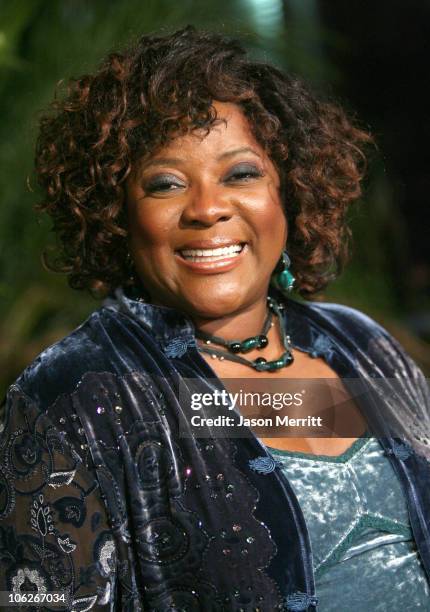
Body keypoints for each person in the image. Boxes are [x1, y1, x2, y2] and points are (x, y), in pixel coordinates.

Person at [1, 25, 429, 612]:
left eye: (241, 173)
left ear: (290, 191)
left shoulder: (363, 344)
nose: (206, 208)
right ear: (118, 214)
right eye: (166, 184)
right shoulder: (72, 396)